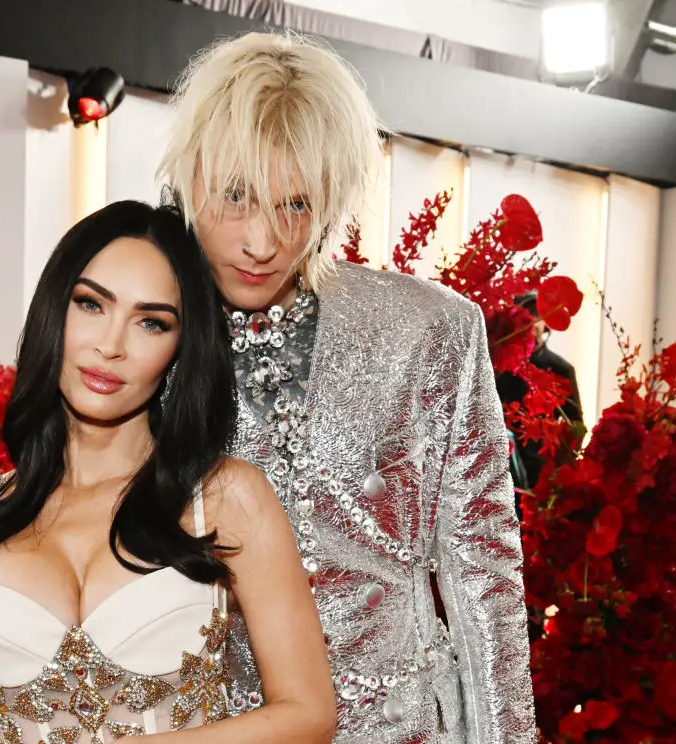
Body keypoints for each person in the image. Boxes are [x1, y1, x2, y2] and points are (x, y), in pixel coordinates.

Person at [158, 32, 535, 743]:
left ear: (335, 197)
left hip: (403, 727)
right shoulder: (149, 331)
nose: (261, 240)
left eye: (295, 204)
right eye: (235, 197)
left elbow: (485, 576)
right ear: (190, 175)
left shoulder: (430, 330)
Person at [0, 201, 337, 744]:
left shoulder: (226, 498)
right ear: (54, 310)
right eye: (91, 304)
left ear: (179, 348)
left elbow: (308, 714)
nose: (111, 345)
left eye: (150, 322)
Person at [496, 292, 583, 495]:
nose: (532, 323)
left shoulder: (561, 369)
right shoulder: (500, 367)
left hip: (544, 474)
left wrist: (561, 472)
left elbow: (575, 426)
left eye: (538, 316)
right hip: (504, 472)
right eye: (526, 315)